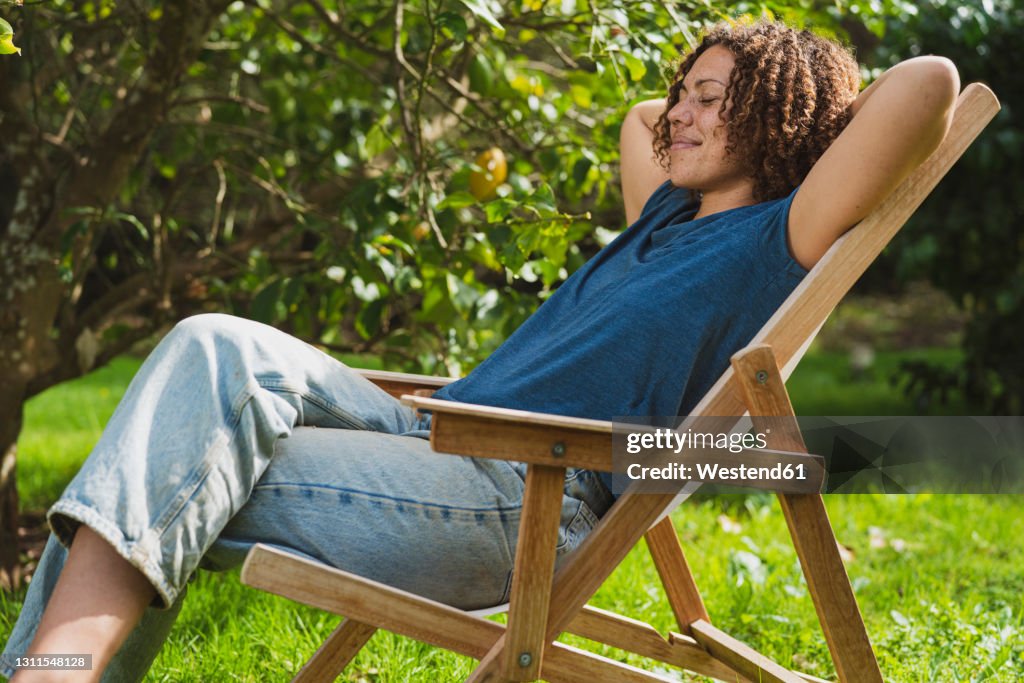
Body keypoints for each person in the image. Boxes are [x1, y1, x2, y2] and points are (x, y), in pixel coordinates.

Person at [2, 19, 959, 682]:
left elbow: (929, 86)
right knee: (208, 347)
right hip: (432, 432)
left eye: (713, 100)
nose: (678, 116)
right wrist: (712, 94)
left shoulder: (776, 242)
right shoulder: (665, 217)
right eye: (685, 97)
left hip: (516, 492)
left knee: (157, 460)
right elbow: (636, 121)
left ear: (782, 122)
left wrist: (798, 95)